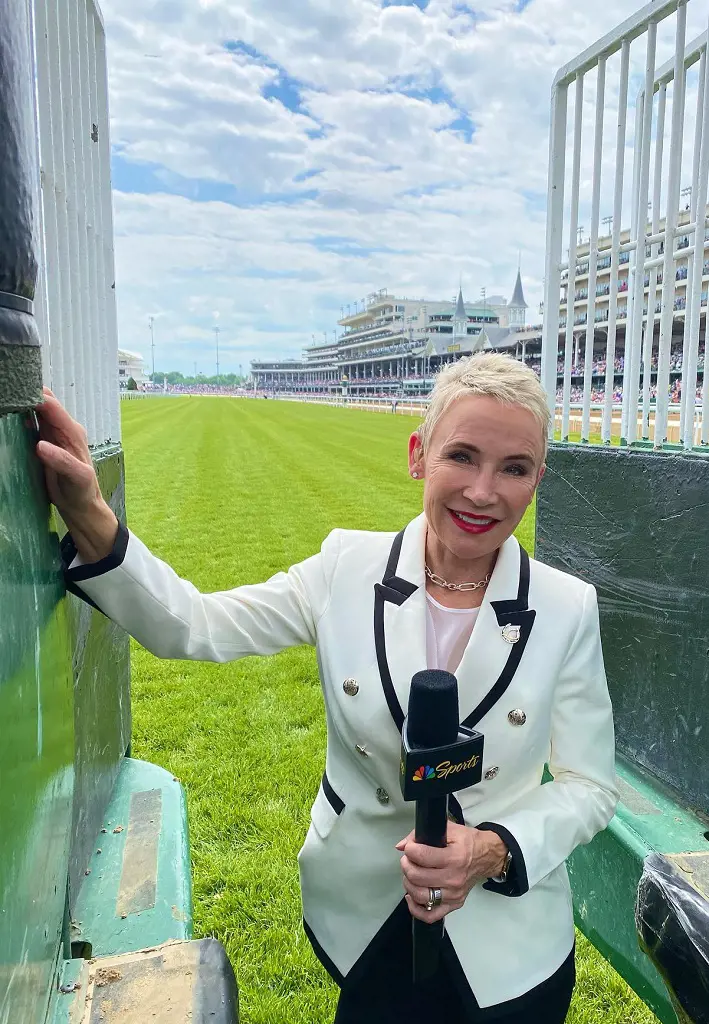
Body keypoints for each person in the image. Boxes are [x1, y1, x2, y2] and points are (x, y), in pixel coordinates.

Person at [35, 352, 618, 1023]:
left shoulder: (565, 606)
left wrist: (490, 850)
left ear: (537, 479)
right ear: (417, 455)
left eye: (513, 468)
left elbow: (588, 786)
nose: (483, 491)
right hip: (367, 917)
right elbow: (194, 627)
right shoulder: (346, 568)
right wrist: (90, 512)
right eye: (461, 456)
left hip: (507, 944)